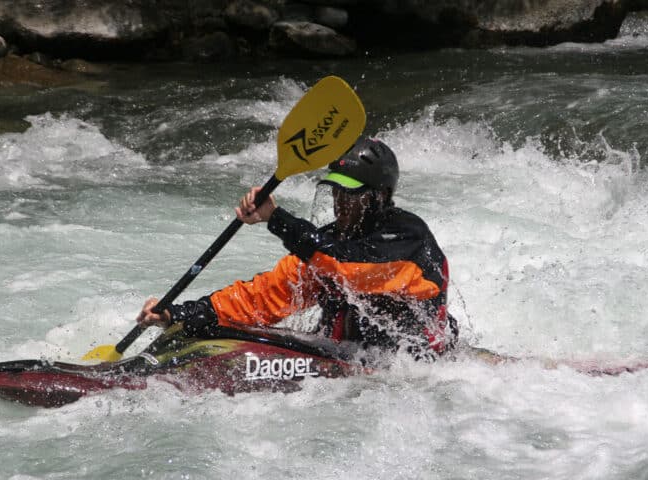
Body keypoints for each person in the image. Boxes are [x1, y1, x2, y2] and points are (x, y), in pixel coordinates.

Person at [137, 138, 458, 360]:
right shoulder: (331, 243)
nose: (340, 204)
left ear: (380, 197)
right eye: (336, 193)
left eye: (351, 196)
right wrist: (179, 314)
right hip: (345, 358)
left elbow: (346, 268)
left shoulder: (407, 239)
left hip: (410, 370)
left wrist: (275, 218)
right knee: (194, 334)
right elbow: (262, 298)